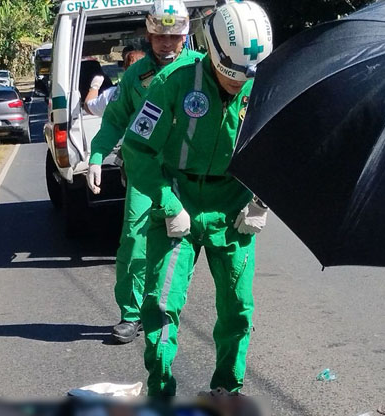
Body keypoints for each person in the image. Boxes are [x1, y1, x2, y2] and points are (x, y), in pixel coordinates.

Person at [119, 1, 273, 395]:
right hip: (179, 200)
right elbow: (137, 147)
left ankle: (227, 390)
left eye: (245, 77)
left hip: (234, 204)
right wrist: (168, 204)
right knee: (162, 304)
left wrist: (262, 199)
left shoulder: (265, 85)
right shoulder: (173, 81)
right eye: (230, 75)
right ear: (213, 50)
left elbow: (283, 149)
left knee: (238, 308)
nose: (238, 84)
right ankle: (162, 390)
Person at [85, 0, 202, 344]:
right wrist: (96, 155)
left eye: (174, 36)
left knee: (199, 240)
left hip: (189, 172)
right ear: (149, 35)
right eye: (159, 36)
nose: (167, 43)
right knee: (135, 242)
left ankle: (176, 310)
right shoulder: (136, 76)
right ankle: (131, 315)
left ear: (185, 35)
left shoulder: (201, 68)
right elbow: (116, 118)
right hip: (145, 171)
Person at [85, 51, 147, 117]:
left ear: (125, 69)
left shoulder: (113, 95)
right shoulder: (155, 92)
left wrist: (95, 87)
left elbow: (88, 107)